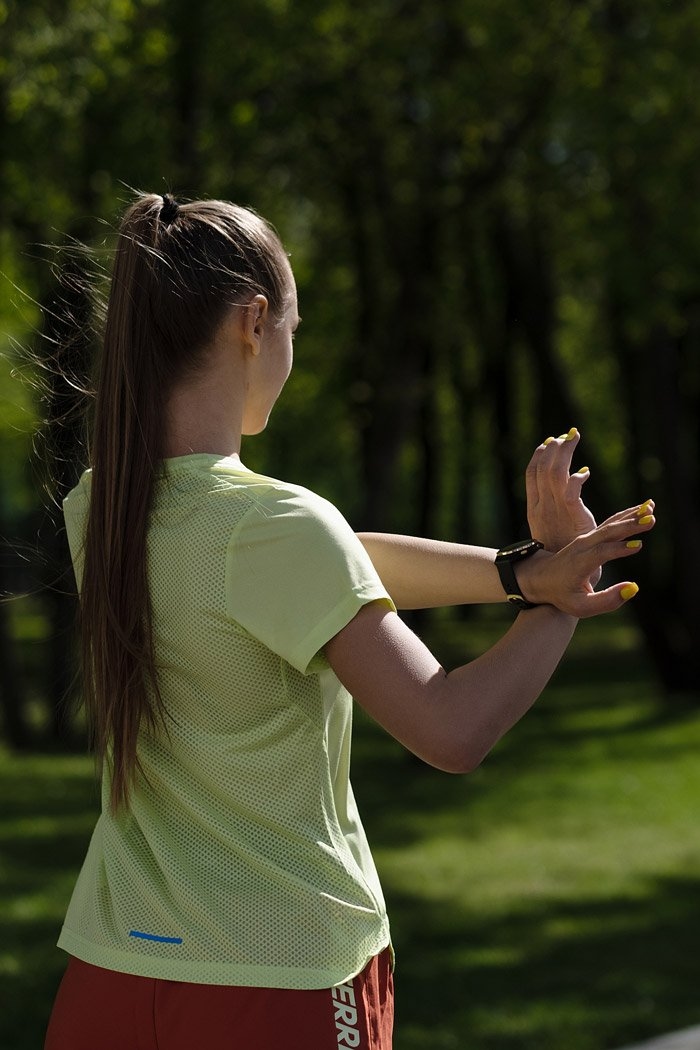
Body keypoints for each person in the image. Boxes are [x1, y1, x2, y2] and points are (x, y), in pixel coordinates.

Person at [43, 192, 655, 1050]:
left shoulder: (99, 507)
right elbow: (452, 731)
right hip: (279, 979)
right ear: (254, 322)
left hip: (110, 977)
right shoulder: (276, 529)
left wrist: (523, 573)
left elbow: (327, 567)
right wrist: (566, 596)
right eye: (294, 326)